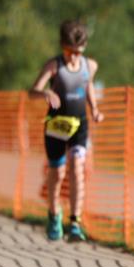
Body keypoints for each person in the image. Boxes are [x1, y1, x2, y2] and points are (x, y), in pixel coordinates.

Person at [29, 20, 104, 242]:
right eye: (69, 51)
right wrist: (45, 93)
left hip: (79, 125)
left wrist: (95, 109)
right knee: (57, 173)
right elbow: (32, 91)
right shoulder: (54, 66)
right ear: (62, 46)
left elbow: (88, 85)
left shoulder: (89, 65)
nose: (73, 57)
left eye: (78, 52)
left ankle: (75, 223)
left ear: (84, 48)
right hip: (56, 125)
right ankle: (54, 215)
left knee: (77, 168)